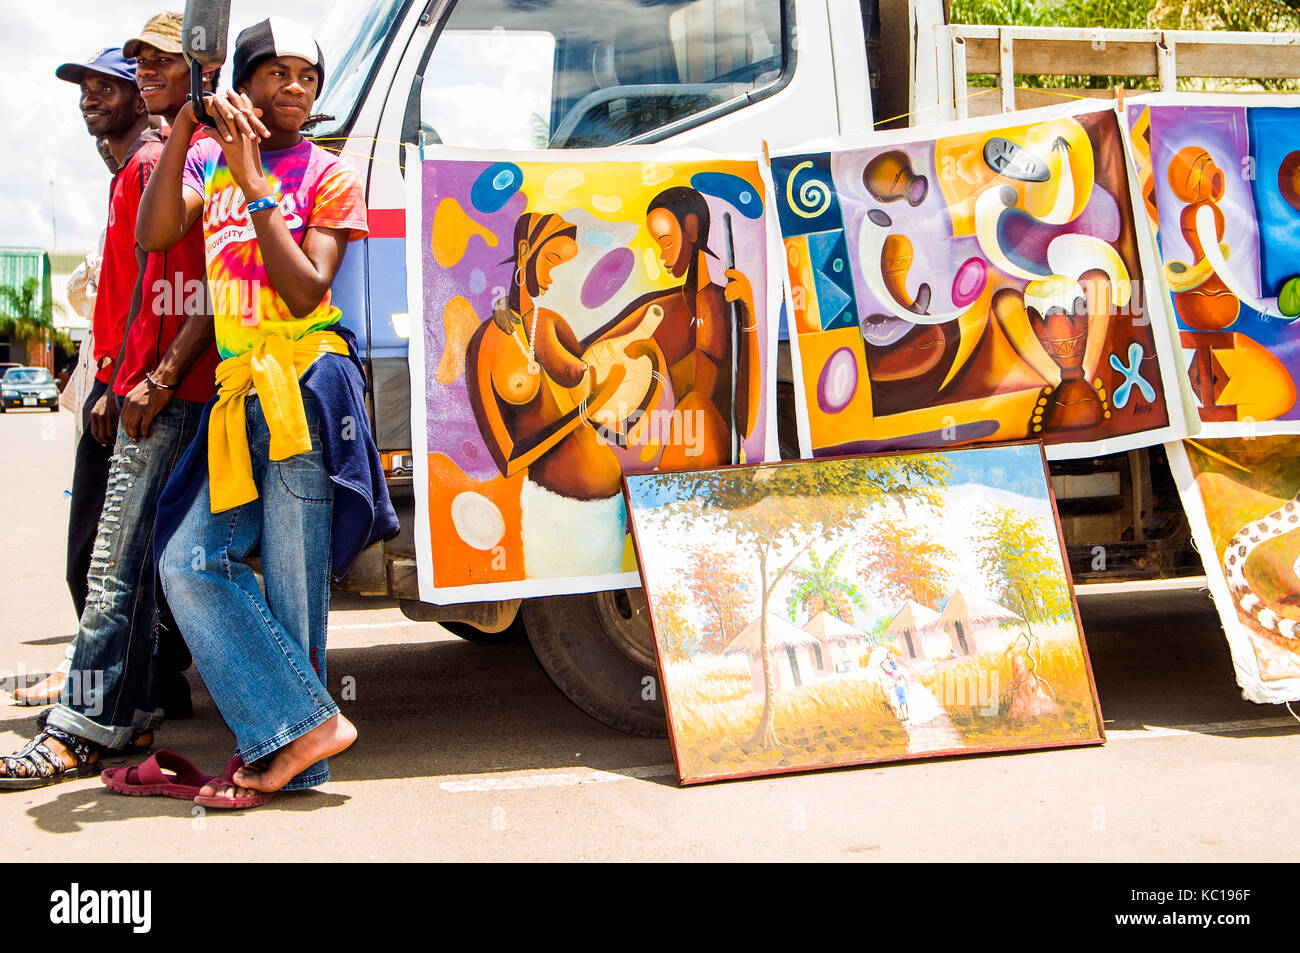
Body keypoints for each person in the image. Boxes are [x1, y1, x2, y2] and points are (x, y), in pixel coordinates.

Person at [141, 17, 396, 807]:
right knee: (187, 562)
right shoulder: (210, 163)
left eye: (306, 77)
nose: (293, 88)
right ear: (240, 86)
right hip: (236, 396)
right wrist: (186, 128)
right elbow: (156, 234)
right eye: (275, 73)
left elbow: (305, 289)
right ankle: (306, 731)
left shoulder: (329, 175)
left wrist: (259, 190)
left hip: (304, 392)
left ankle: (301, 757)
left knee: (294, 589)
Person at [0, 20, 220, 786]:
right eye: (141, 61)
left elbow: (201, 291)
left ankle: (80, 728)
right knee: (126, 564)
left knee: (113, 569)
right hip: (149, 387)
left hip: (162, 392)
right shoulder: (165, 161)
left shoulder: (170, 163)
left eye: (160, 63)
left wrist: (145, 380)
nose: (140, 74)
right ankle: (123, 713)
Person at [592, 186, 761, 468]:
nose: (662, 255)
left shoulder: (729, 307)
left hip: (714, 458)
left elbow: (748, 419)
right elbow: (590, 357)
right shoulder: (657, 309)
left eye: (666, 242)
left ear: (692, 230)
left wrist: (749, 311)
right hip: (666, 456)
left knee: (697, 408)